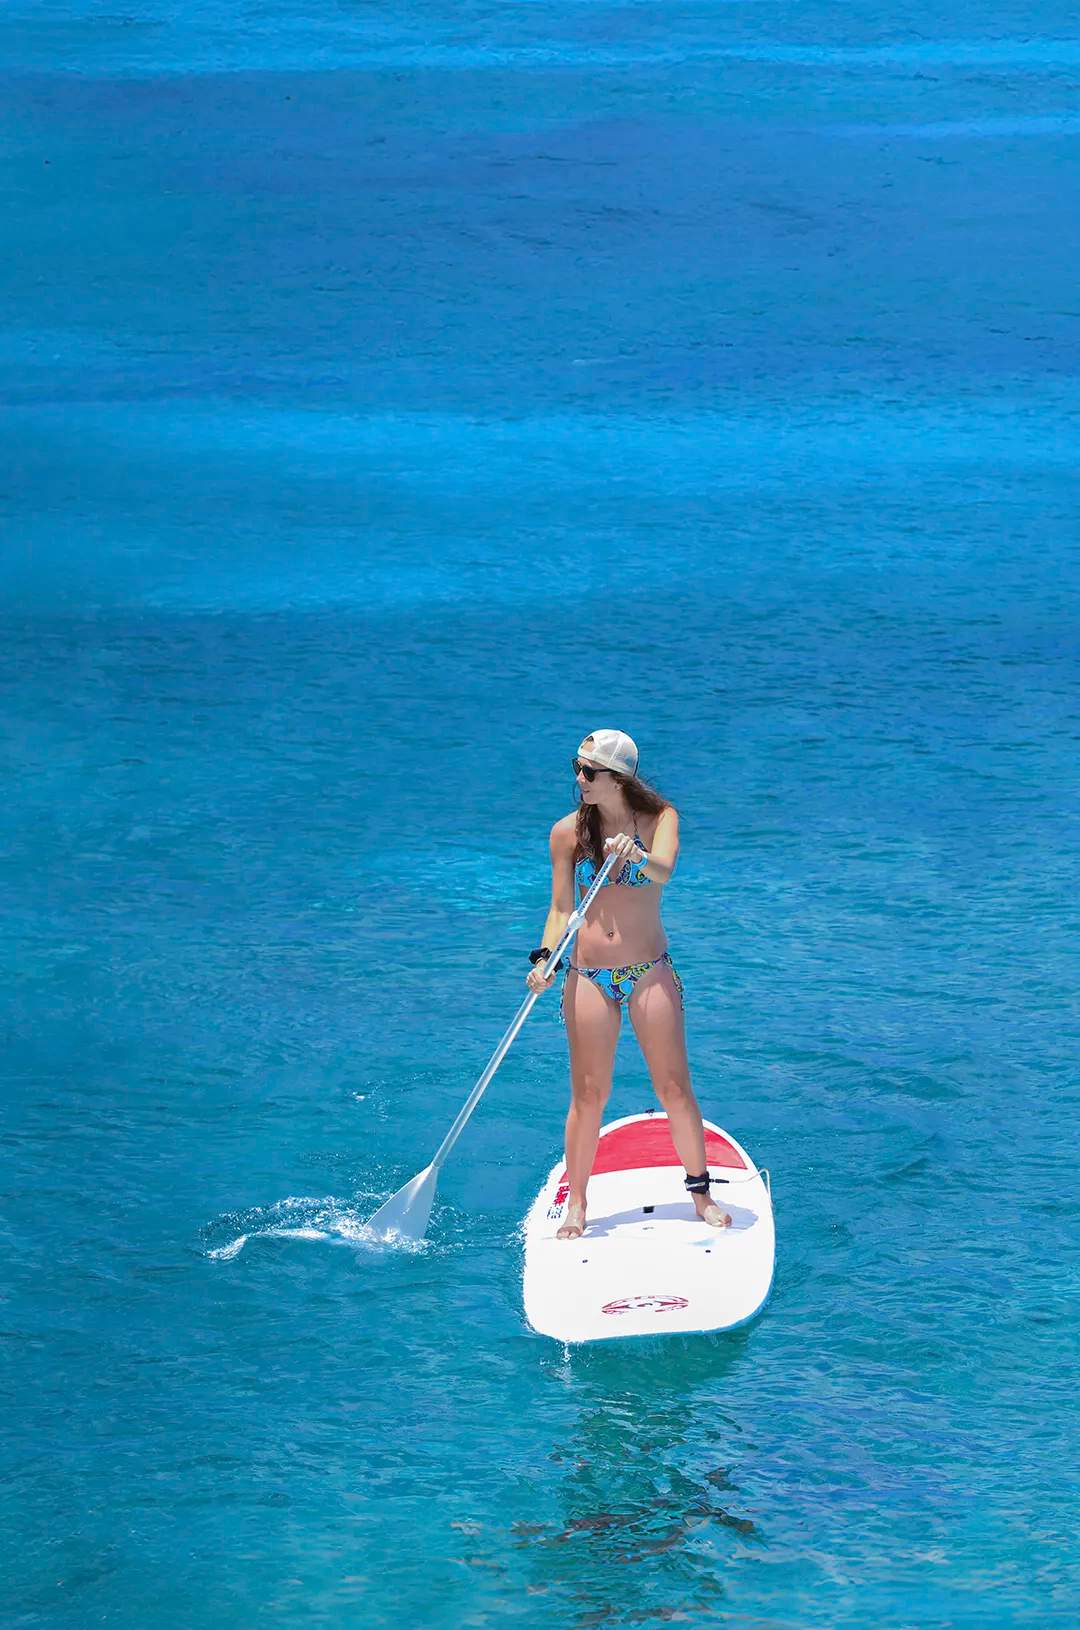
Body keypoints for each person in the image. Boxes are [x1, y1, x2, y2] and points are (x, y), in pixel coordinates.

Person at [527, 729, 732, 1240]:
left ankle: (700, 1192)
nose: (579, 780)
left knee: (673, 1087)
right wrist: (545, 958)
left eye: (589, 772)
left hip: (648, 970)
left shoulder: (660, 819)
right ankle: (577, 1203)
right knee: (589, 1094)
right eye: (576, 768)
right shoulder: (568, 833)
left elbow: (663, 871)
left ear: (618, 779)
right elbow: (560, 909)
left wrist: (637, 855)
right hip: (588, 974)